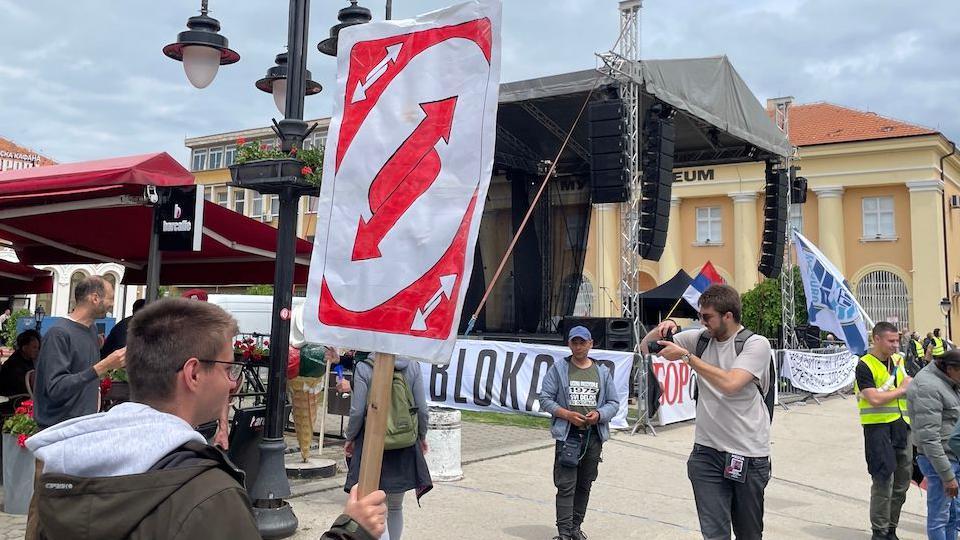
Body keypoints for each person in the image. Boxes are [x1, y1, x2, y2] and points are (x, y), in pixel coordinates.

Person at [26, 297, 388, 540]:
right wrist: (349, 531)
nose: (233, 383)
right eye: (229, 369)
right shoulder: (208, 494)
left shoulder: (59, 469)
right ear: (194, 374)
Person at [640, 284, 772, 540]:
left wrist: (687, 357)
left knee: (749, 534)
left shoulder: (755, 344)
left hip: (748, 454)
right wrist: (662, 327)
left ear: (728, 316)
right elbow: (646, 348)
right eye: (700, 316)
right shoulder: (699, 339)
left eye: (707, 317)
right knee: (714, 534)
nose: (701, 321)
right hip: (706, 454)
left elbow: (731, 383)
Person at [27, 275, 126, 539]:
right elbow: (55, 388)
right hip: (56, 433)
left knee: (69, 505)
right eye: (109, 299)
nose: (111, 305)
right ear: (94, 298)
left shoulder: (91, 330)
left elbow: (83, 377)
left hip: (81, 429)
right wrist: (102, 367)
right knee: (45, 503)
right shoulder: (59, 334)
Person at [539, 325, 620, 540]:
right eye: (574, 342)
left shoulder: (602, 372)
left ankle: (575, 527)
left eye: (582, 342)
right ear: (569, 344)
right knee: (566, 485)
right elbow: (545, 398)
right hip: (569, 436)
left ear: (590, 344)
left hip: (593, 437)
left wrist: (600, 415)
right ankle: (564, 533)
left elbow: (613, 402)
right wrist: (566, 414)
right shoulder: (558, 369)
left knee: (585, 484)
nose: (578, 346)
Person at [344, 352, 432, 540]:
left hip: (371, 445)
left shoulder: (364, 367)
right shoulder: (412, 365)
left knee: (373, 506)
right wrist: (422, 436)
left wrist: (350, 437)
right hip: (404, 444)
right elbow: (422, 410)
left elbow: (357, 412)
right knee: (395, 506)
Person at [854, 322, 912, 540]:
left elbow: (909, 383)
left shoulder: (898, 360)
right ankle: (880, 531)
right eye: (891, 341)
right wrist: (902, 390)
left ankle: (892, 528)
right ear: (876, 339)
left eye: (897, 340)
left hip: (901, 426)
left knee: (902, 482)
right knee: (882, 480)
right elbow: (874, 398)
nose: (895, 345)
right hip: (877, 429)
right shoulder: (865, 365)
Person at [908, 349, 960, 540]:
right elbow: (929, 439)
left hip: (952, 457)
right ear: (950, 368)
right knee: (940, 517)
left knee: (953, 516)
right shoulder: (928, 387)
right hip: (939, 462)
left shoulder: (948, 380)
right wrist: (947, 476)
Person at [0, 329, 40, 399]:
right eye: (34, 347)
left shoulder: (29, 359)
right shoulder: (14, 364)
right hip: (13, 400)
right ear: (24, 348)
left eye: (38, 347)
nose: (37, 350)